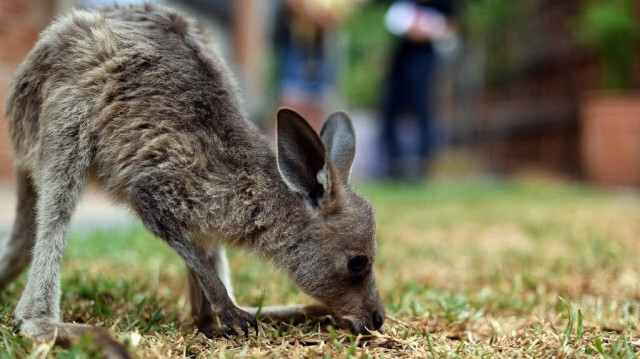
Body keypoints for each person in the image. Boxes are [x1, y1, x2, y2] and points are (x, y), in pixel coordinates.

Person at [380, 0, 456, 180]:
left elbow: (451, 26)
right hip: (399, 62)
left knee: (425, 112)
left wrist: (428, 30)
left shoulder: (445, 5)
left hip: (425, 62)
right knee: (390, 112)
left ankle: (424, 166)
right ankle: (393, 165)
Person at [273, 0, 354, 131]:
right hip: (297, 41)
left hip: (325, 43)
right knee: (290, 104)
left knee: (317, 105)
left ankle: (313, 147)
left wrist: (326, 18)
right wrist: (311, 14)